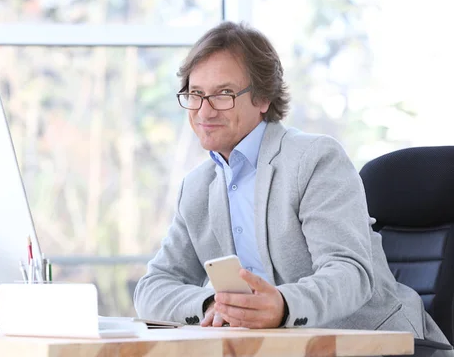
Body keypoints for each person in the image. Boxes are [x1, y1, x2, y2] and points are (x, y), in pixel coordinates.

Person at [133, 21, 452, 355]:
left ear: (263, 98)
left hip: (375, 345)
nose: (204, 110)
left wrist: (283, 306)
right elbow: (152, 288)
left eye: (223, 94)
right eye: (195, 94)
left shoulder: (314, 159)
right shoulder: (197, 187)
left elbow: (349, 273)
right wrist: (213, 303)